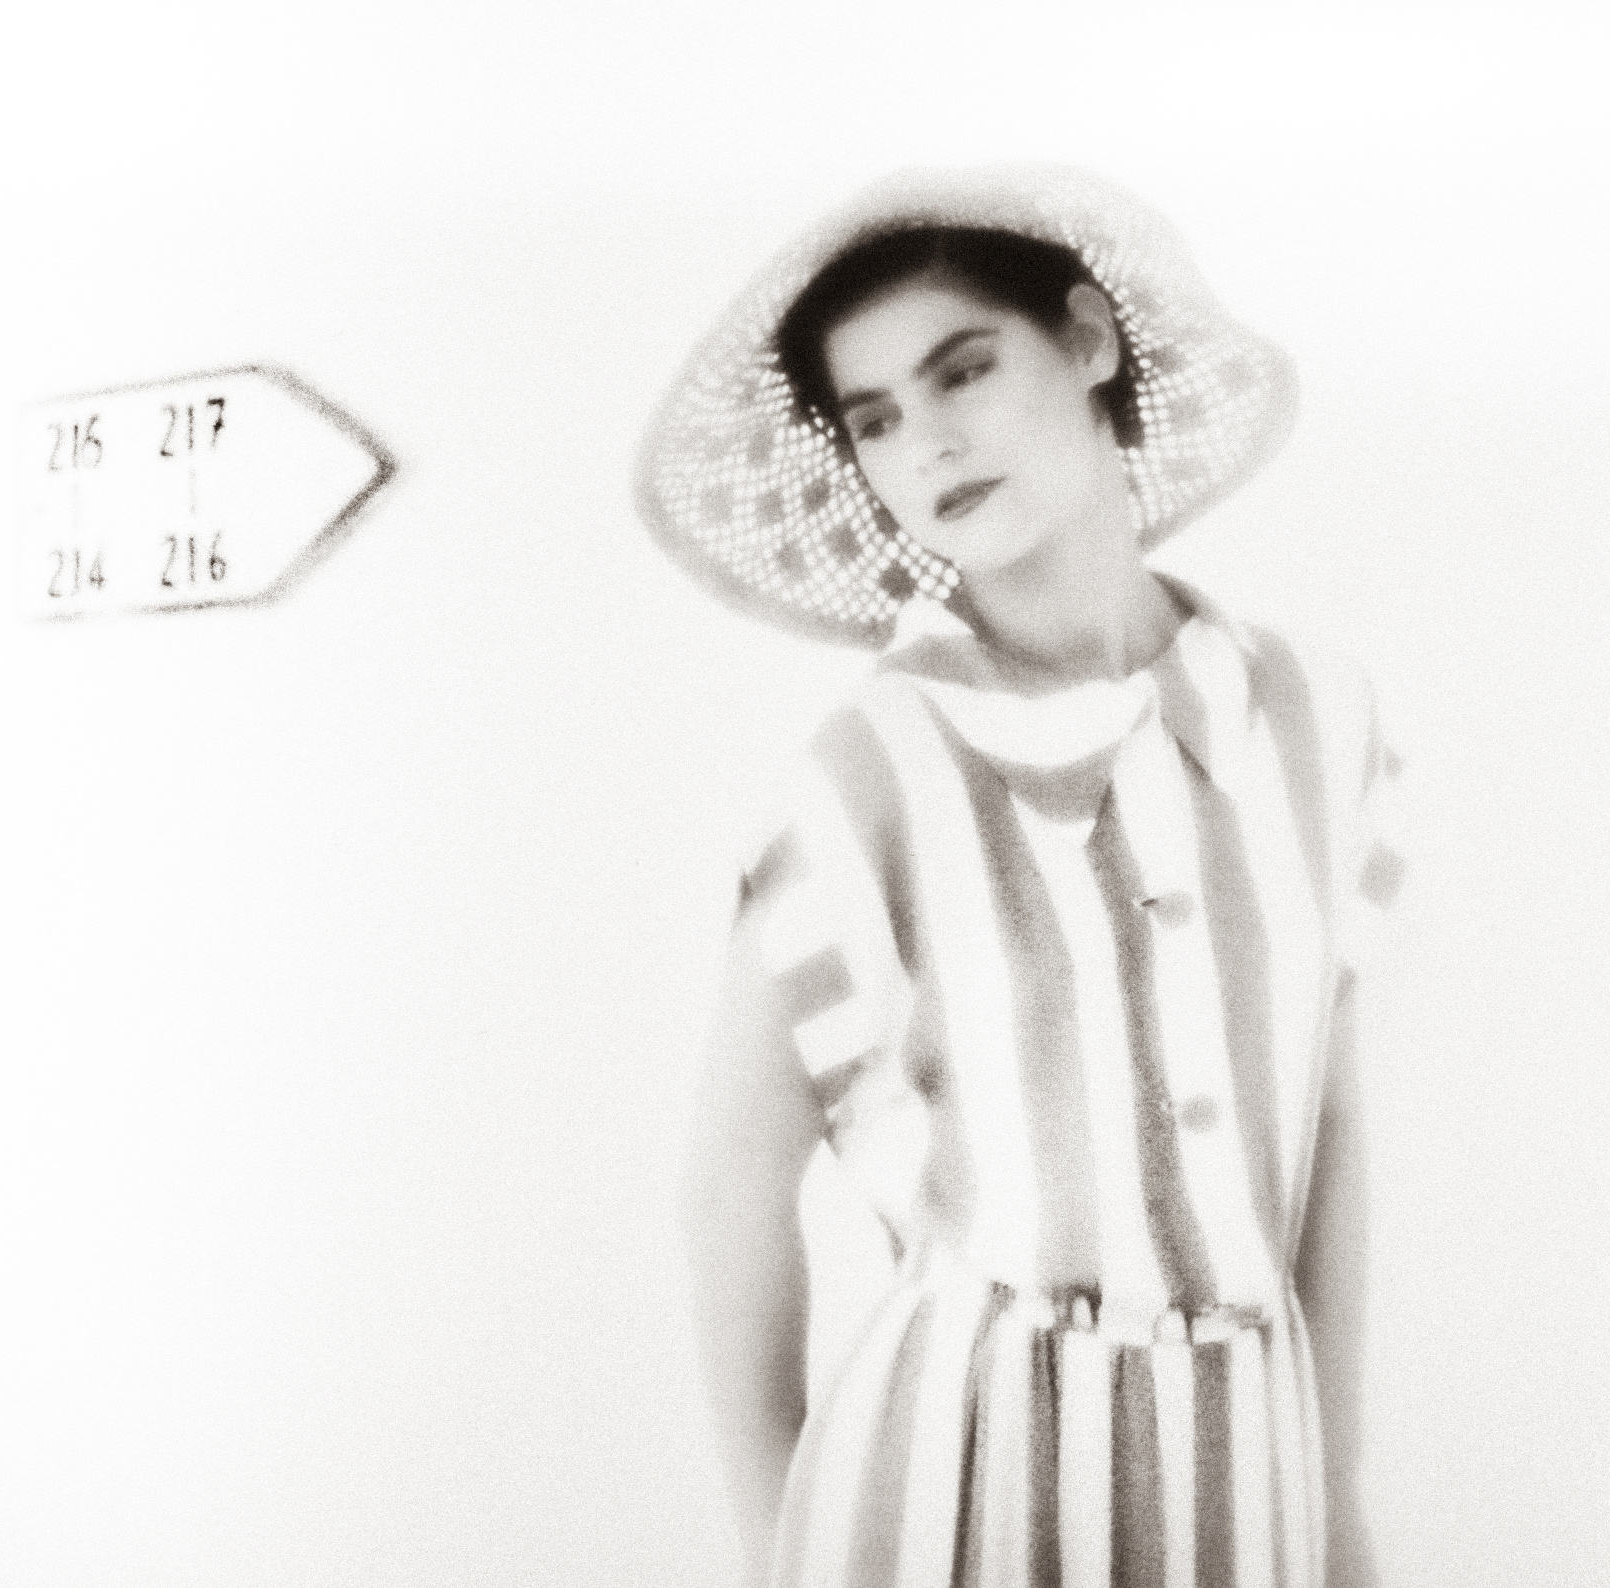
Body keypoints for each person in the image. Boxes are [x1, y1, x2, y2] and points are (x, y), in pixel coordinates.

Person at [639, 165, 1402, 1588]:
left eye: (963, 370)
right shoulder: (866, 773)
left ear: (1089, 340)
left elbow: (1332, 1130)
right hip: (955, 1487)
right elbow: (728, 1192)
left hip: (1252, 1487)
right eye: (875, 419)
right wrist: (777, 1548)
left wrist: (1336, 1492)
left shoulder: (1316, 719)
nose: (926, 442)